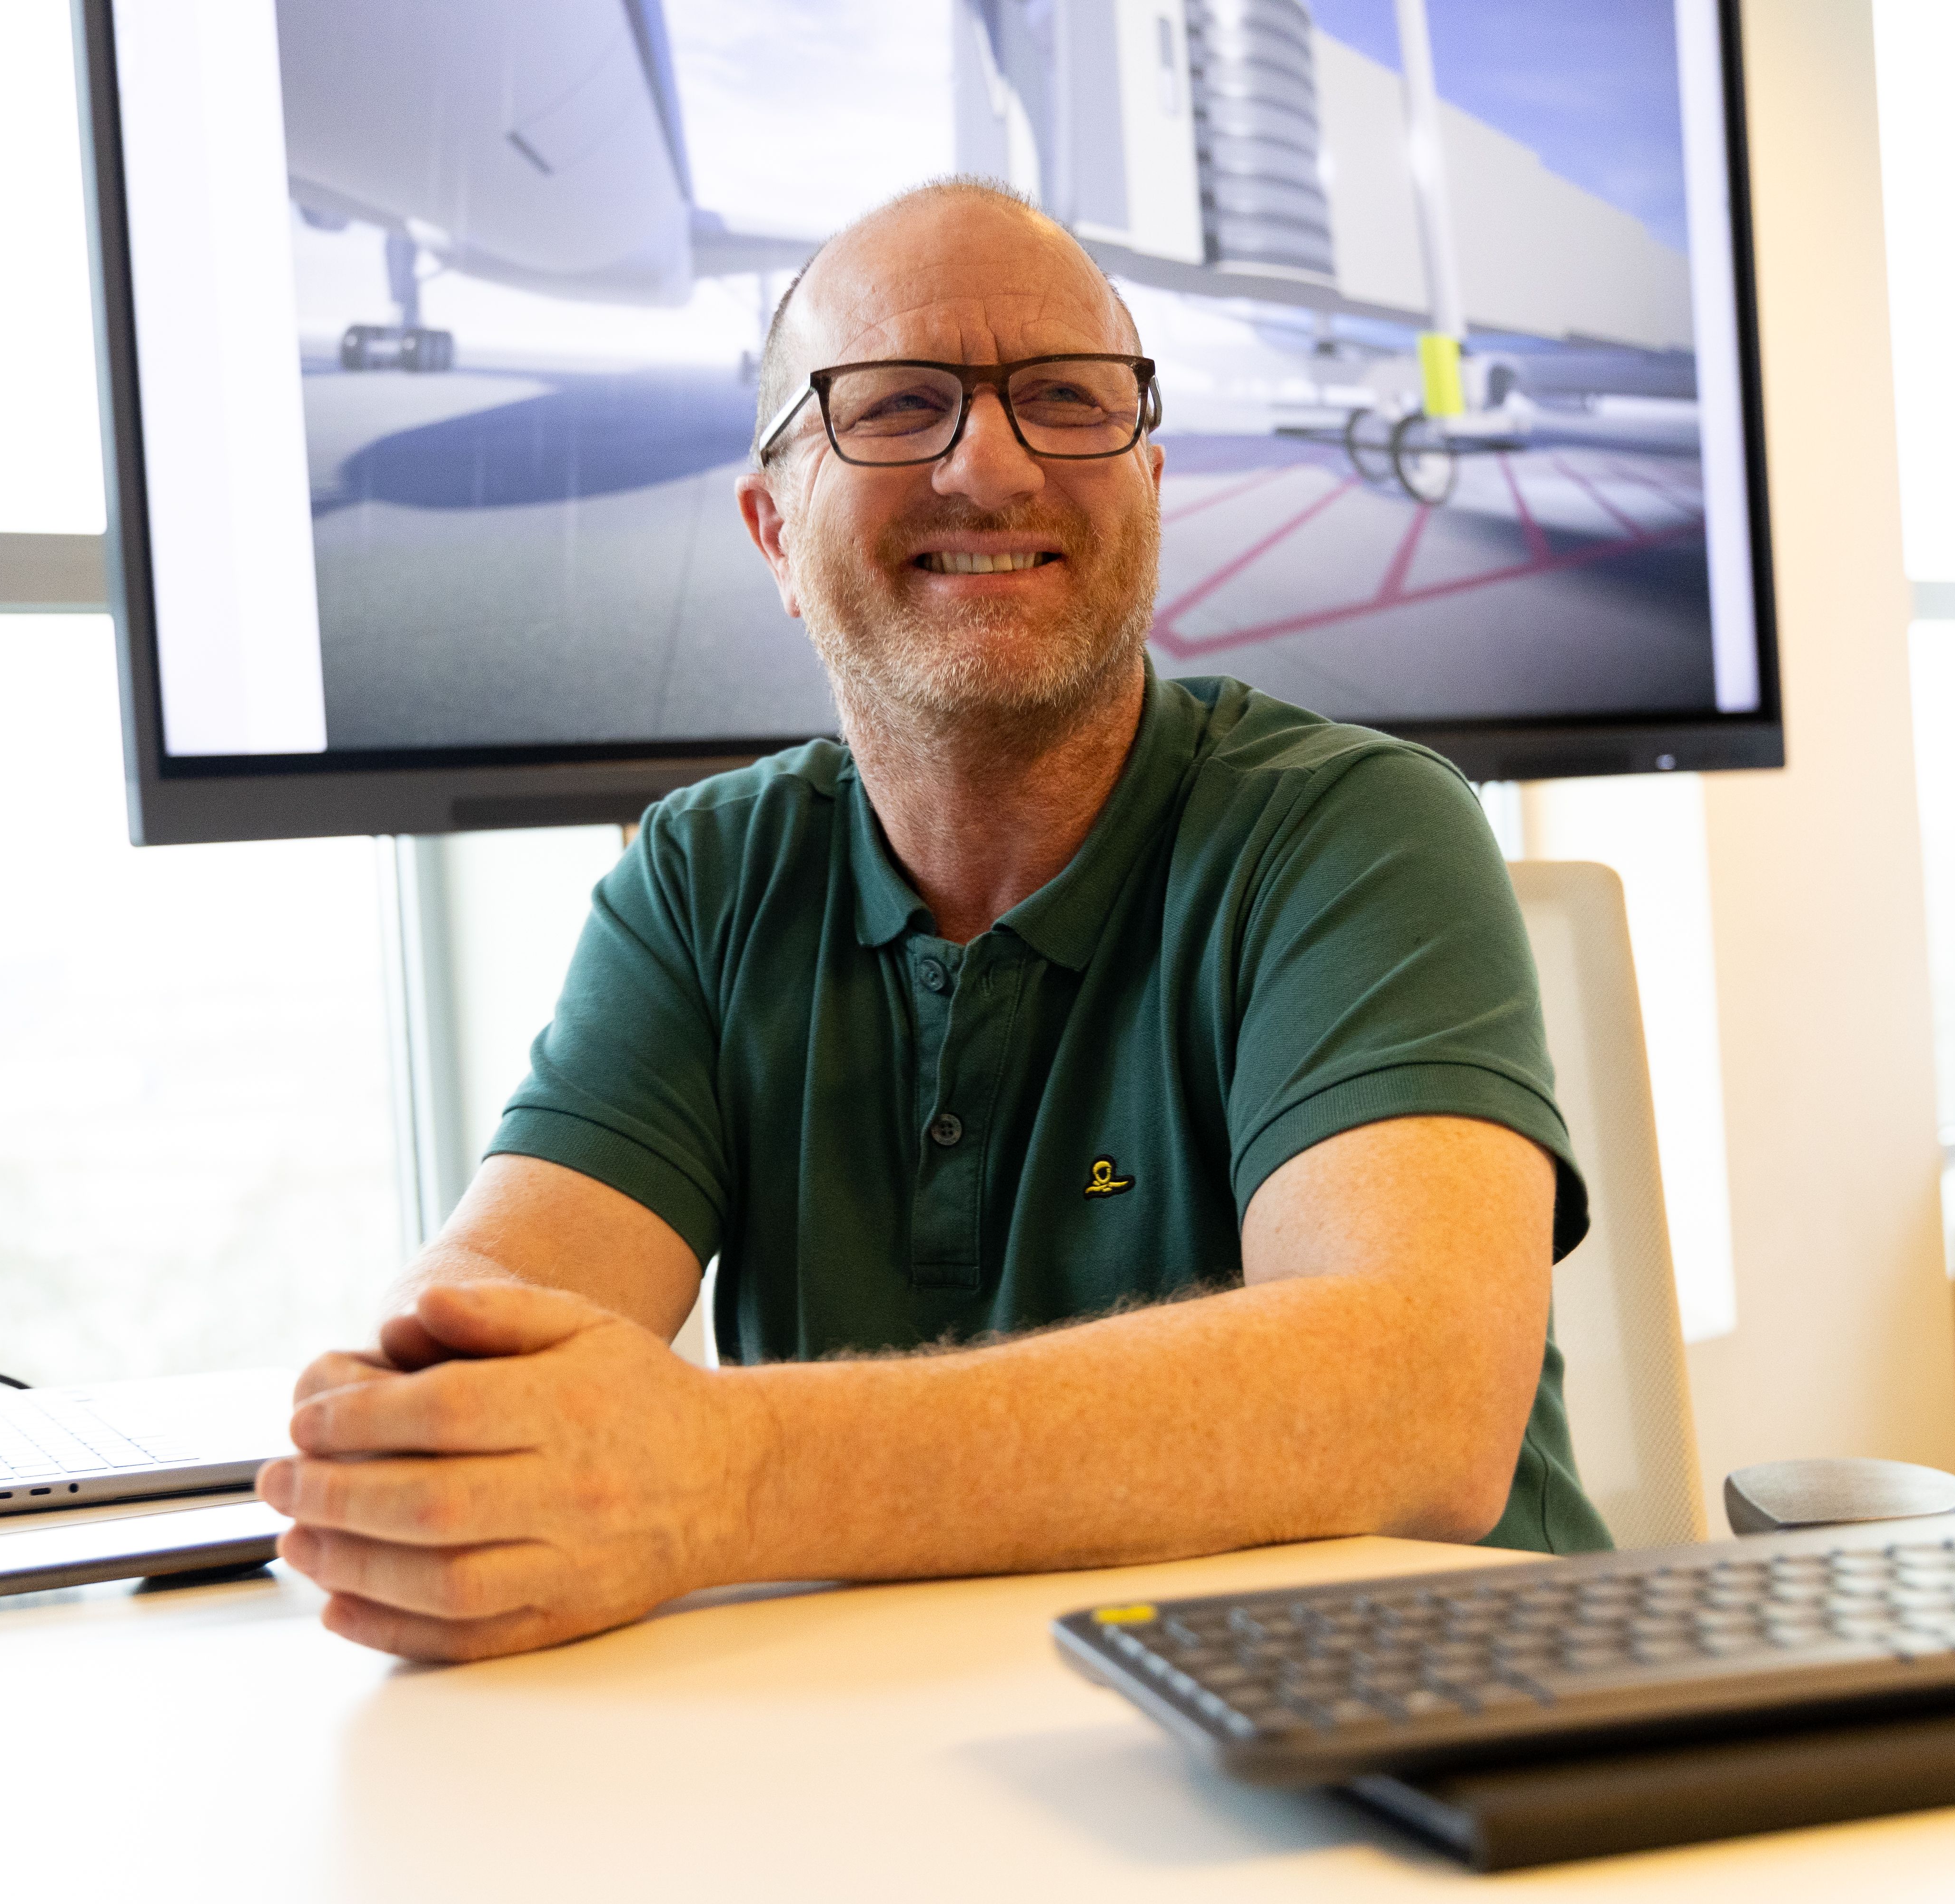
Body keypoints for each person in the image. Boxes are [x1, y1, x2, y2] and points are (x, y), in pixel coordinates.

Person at [254, 177, 1607, 1662]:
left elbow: (1416, 1400)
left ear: (1148, 485)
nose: (994, 466)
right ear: (774, 532)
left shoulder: (1355, 829)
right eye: (895, 406)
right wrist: (433, 1422)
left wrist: (722, 1471)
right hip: (916, 1772)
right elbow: (492, 1305)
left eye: (1068, 400)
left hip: (1431, 1780)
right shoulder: (705, 880)